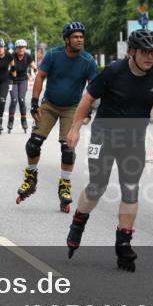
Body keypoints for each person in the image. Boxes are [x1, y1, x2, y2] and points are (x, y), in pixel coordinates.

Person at [64, 28, 153, 272]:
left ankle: (123, 242)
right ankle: (79, 222)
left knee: (130, 189)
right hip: (103, 135)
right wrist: (74, 129)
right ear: (132, 52)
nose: (150, 57)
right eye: (145, 52)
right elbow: (87, 100)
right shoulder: (114, 72)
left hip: (134, 139)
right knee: (98, 186)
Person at [16, 21, 98, 212]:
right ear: (67, 39)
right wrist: (35, 103)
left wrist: (89, 111)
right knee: (33, 143)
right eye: (76, 37)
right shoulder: (54, 54)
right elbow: (40, 76)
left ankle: (65, 184)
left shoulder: (88, 61)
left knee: (68, 148)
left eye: (81, 37)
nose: (80, 40)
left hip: (72, 108)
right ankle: (31, 177)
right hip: (50, 105)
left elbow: (94, 88)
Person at [6, 39, 37, 133]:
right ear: (16, 49)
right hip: (12, 80)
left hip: (23, 80)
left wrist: (37, 72)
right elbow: (7, 67)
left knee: (21, 99)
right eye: (19, 48)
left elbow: (34, 67)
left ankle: (24, 120)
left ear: (25, 48)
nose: (21, 49)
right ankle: (10, 121)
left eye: (23, 47)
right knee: (14, 100)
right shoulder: (12, 57)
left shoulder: (28, 56)